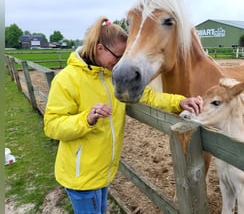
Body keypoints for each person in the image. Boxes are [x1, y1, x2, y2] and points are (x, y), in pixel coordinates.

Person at [43, 17, 203, 214]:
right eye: (118, 56)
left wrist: (178, 101)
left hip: (104, 172)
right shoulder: (66, 79)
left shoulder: (113, 78)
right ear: (100, 48)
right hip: (80, 177)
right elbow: (52, 125)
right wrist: (87, 118)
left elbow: (148, 95)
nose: (120, 63)